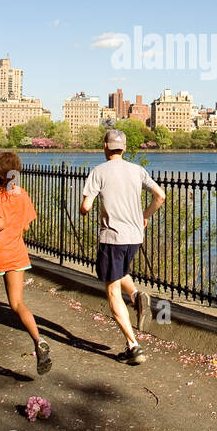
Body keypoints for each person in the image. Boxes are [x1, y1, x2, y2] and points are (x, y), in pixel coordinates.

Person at [79, 129, 166, 364]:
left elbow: (86, 207)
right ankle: (137, 296)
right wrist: (144, 216)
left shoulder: (99, 171)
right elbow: (160, 195)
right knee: (120, 272)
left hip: (112, 237)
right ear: (124, 148)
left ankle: (133, 346)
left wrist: (83, 209)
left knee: (112, 290)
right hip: (135, 236)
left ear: (105, 147)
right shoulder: (137, 170)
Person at [0, 151, 51, 374]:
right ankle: (38, 340)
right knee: (17, 303)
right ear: (17, 171)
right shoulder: (22, 195)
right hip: (16, 254)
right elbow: (25, 227)